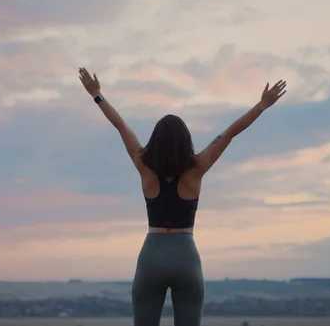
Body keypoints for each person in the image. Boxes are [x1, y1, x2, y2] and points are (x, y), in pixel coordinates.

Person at [78, 67, 287, 326]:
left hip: (151, 256)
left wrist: (97, 95)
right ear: (185, 140)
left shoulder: (144, 165)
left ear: (155, 140)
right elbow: (231, 132)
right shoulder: (198, 167)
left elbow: (120, 125)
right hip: (186, 257)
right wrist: (262, 105)